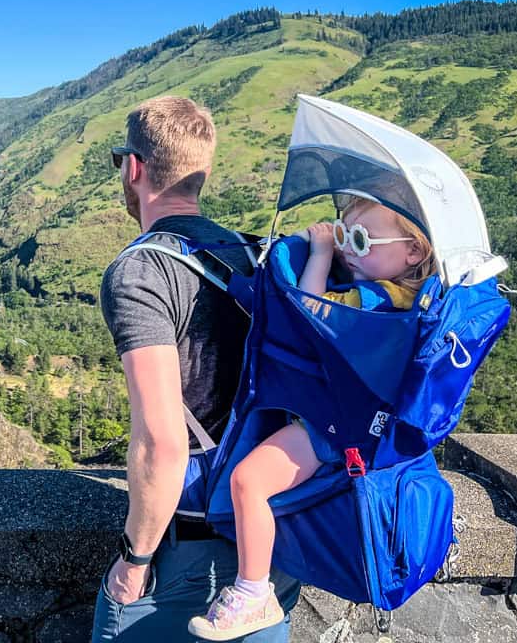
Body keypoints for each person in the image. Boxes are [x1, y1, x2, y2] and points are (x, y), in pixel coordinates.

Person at [91, 96, 299, 643]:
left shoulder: (141, 271)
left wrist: (134, 560)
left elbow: (162, 441)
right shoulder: (258, 257)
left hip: (186, 547)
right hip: (271, 550)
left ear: (134, 168)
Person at [186, 196, 437, 641]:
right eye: (343, 235)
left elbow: (311, 307)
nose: (349, 250)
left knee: (249, 483)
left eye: (361, 239)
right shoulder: (420, 302)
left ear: (413, 252)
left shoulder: (373, 301)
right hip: (370, 431)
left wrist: (320, 251)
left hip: (330, 430)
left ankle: (252, 591)